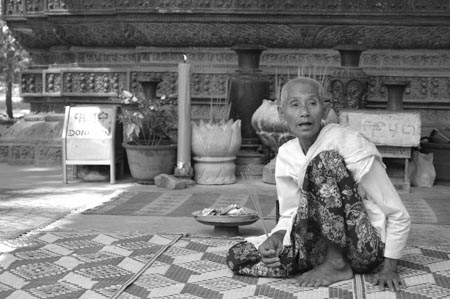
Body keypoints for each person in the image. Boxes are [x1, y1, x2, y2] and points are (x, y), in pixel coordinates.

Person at [226, 77, 411, 291]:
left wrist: (390, 267)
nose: (304, 112)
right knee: (238, 256)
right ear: (281, 112)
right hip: (315, 250)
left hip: (363, 247)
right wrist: (276, 238)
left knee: (324, 162)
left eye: (312, 103)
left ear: (325, 109)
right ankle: (325, 263)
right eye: (295, 104)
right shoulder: (286, 154)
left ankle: (337, 263)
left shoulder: (349, 143)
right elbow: (291, 213)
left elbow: (398, 213)